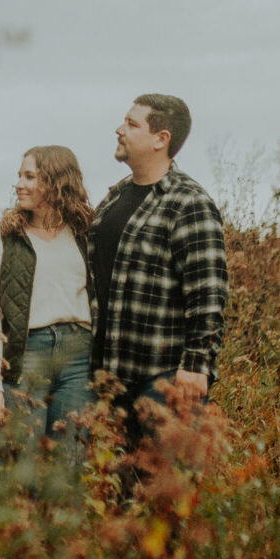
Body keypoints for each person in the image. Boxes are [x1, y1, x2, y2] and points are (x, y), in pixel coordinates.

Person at [89, 94, 229, 456]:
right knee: (116, 498)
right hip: (109, 378)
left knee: (160, 495)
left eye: (132, 124)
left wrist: (196, 366)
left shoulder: (188, 202)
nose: (119, 130)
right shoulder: (114, 198)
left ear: (160, 139)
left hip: (163, 380)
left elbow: (208, 294)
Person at [0, 145, 95, 450]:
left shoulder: (84, 234)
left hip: (79, 358)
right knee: (21, 463)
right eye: (19, 176)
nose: (19, 184)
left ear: (56, 183)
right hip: (26, 356)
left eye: (30, 177)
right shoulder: (2, 237)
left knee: (72, 459)